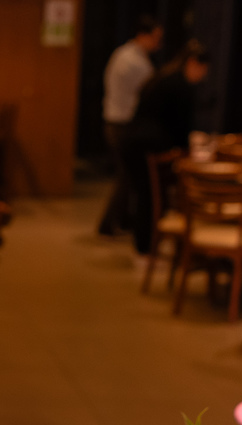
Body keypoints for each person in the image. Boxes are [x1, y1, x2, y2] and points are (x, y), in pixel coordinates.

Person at [121, 42, 211, 256]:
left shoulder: (163, 76)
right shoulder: (180, 85)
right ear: (193, 63)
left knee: (146, 196)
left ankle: (146, 246)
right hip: (148, 146)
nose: (203, 76)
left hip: (132, 140)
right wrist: (187, 152)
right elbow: (180, 126)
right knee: (151, 198)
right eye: (203, 70)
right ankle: (145, 249)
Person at [98, 15, 164, 237]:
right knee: (126, 177)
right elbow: (150, 95)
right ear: (144, 36)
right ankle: (108, 224)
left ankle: (123, 221)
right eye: (156, 38)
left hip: (114, 120)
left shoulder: (123, 54)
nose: (158, 43)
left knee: (126, 176)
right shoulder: (134, 62)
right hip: (123, 124)